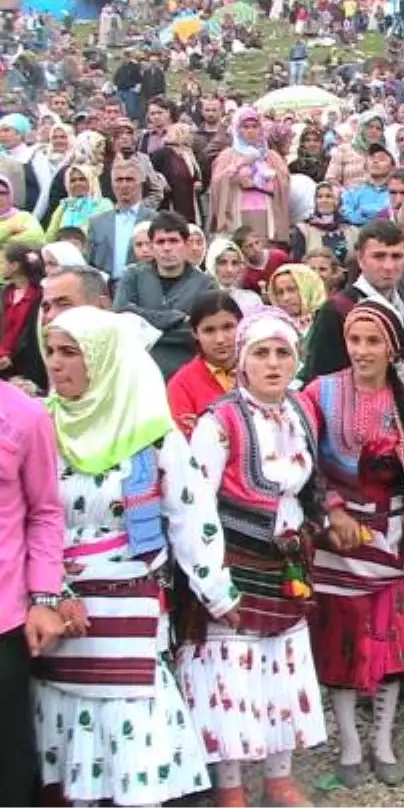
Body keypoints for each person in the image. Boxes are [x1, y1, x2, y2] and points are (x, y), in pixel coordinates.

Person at [35, 306, 238, 806]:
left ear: (104, 360)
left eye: (70, 353)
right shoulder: (40, 428)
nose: (57, 365)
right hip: (57, 607)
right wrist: (51, 592)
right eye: (51, 352)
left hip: (130, 601)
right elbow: (24, 520)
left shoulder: (152, 434)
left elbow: (191, 514)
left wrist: (217, 589)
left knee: (130, 721)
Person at [181, 309, 339, 807]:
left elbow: (312, 485)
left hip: (288, 560)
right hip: (233, 562)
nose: (274, 364)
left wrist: (321, 526)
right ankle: (230, 788)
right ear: (242, 364)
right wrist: (211, 584)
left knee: (282, 668)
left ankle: (279, 778)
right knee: (231, 673)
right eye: (261, 354)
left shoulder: (301, 412)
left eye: (283, 353)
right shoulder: (218, 422)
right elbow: (194, 506)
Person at [303, 302, 404, 789]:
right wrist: (331, 508)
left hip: (393, 535)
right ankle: (350, 743)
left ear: (392, 346)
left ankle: (383, 741)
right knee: (342, 643)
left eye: (373, 341)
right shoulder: (321, 393)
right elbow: (306, 460)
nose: (362, 351)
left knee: (390, 640)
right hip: (339, 540)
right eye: (355, 340)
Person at [0, 376, 64, 808]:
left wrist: (43, 597)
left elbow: (44, 511)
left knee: (7, 753)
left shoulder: (24, 414)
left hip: (5, 617)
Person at [115, 211, 217, 381]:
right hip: (138, 371)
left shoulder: (205, 284)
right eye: (160, 242)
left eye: (173, 241)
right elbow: (122, 318)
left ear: (185, 244)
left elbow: (201, 332)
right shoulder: (133, 276)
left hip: (187, 371)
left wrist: (143, 323)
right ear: (152, 246)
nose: (167, 248)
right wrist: (177, 318)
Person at [304, 220, 404, 381]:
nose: (389, 266)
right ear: (360, 259)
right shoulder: (336, 310)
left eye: (396, 256)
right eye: (379, 256)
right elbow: (321, 379)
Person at [210, 107, 291, 243]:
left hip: (267, 211)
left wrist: (261, 183)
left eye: (254, 126)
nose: (250, 131)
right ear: (238, 129)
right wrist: (236, 176)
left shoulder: (271, 156)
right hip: (237, 211)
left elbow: (284, 181)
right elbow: (216, 183)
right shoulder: (227, 156)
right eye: (245, 127)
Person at [167, 292, 243, 437]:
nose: (220, 339)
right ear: (195, 333)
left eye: (228, 327)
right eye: (209, 330)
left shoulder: (258, 370)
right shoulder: (181, 384)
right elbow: (184, 444)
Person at [85, 162, 155, 286]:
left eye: (129, 179)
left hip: (146, 287)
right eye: (119, 180)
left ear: (140, 183)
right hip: (107, 290)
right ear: (112, 184)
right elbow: (89, 264)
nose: (124, 185)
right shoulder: (97, 223)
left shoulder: (155, 220)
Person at [0, 243, 47, 389]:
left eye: (2, 262)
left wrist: (11, 357)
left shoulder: (39, 297)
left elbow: (30, 334)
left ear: (14, 266)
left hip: (25, 367)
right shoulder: (4, 294)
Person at [267, 263, 327, 363]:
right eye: (280, 292)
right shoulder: (271, 327)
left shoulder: (326, 322)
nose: (286, 298)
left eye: (291, 290)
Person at [290, 182, 357, 266]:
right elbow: (297, 263)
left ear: (338, 200)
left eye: (329, 196)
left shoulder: (351, 230)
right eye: (319, 197)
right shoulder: (303, 230)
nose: (323, 200)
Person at [43, 164, 112, 239]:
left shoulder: (104, 204)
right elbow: (50, 236)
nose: (77, 183)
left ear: (91, 181)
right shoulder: (64, 206)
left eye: (82, 179)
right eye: (73, 180)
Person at [204, 237, 264, 315]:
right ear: (212, 264)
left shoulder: (252, 300)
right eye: (222, 263)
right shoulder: (201, 300)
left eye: (235, 263)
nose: (229, 270)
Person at [0, 173, 46, 248]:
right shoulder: (12, 225)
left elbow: (37, 239)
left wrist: (3, 244)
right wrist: (9, 228)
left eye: (3, 193)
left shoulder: (24, 216)